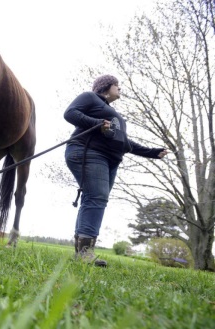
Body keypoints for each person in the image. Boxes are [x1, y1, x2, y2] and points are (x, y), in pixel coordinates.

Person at [64, 75, 168, 267]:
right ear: (106, 86)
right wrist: (96, 123)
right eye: (117, 86)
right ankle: (86, 251)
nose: (120, 89)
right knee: (97, 197)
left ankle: (81, 251)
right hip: (87, 152)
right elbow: (70, 113)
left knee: (93, 199)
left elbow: (125, 143)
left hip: (110, 160)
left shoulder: (114, 114)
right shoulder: (90, 97)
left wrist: (152, 152)